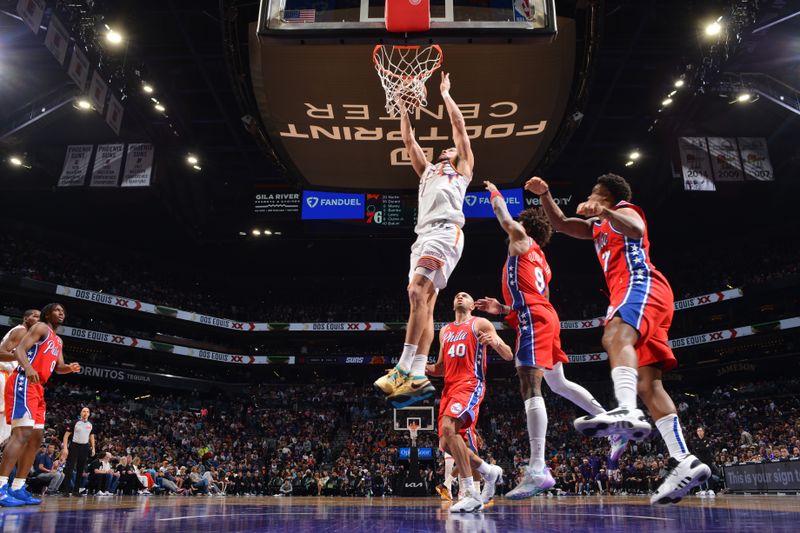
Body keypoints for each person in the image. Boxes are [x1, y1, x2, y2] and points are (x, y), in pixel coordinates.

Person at [525, 174, 711, 505]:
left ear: (606, 196)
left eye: (594, 194)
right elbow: (564, 224)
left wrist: (606, 211)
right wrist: (545, 194)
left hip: (640, 285)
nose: (588, 198)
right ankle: (683, 459)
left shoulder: (625, 209)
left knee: (613, 335)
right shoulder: (595, 227)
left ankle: (626, 412)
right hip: (636, 294)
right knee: (649, 384)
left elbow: (637, 229)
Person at [475, 181, 627, 499]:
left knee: (530, 385)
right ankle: (611, 422)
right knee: (558, 383)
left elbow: (503, 216)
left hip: (534, 318)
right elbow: (534, 295)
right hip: (544, 315)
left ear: (525, 226)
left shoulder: (519, 240)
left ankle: (538, 468)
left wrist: (494, 194)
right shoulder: (540, 257)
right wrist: (501, 308)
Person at [374, 72, 474, 408]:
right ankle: (418, 374)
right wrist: (403, 107)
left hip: (445, 232)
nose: (448, 147)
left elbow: (459, 129)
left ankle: (402, 367)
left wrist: (445, 94)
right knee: (426, 305)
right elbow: (408, 142)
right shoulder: (428, 170)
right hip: (424, 236)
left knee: (415, 291)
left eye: (450, 147)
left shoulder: (462, 169)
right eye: (445, 148)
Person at [425, 292, 513, 512]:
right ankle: (489, 471)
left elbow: (509, 354)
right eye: (457, 295)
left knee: (448, 427)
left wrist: (494, 342)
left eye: (465, 295)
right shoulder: (444, 331)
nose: (460, 296)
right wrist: (417, 368)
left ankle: (471, 493)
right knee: (446, 444)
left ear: (473, 305)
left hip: (470, 383)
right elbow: (440, 368)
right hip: (449, 389)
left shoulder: (480, 323)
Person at [0, 303, 81, 506]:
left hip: (39, 388)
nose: (61, 313)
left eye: (64, 311)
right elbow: (19, 350)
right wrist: (27, 367)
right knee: (22, 434)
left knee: (35, 439)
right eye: (57, 310)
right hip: (24, 381)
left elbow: (59, 367)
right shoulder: (40, 328)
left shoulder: (58, 340)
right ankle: (1, 487)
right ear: (47, 314)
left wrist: (69, 368)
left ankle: (18, 487)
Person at [0, 309, 40, 445]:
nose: (38, 319)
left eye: (40, 318)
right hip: (3, 375)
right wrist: (22, 358)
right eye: (35, 316)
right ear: (26, 318)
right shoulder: (21, 331)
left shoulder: (26, 336)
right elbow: (1, 353)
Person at [60, 406, 95, 496]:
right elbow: (66, 436)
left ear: (89, 414)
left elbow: (91, 436)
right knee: (70, 468)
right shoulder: (75, 422)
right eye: (84, 411)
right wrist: (65, 448)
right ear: (81, 413)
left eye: (87, 411)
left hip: (85, 447)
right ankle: (66, 490)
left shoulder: (90, 424)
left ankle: (76, 491)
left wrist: (93, 448)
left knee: (80, 469)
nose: (85, 413)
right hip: (74, 446)